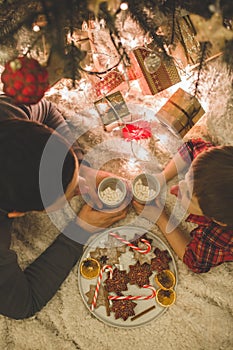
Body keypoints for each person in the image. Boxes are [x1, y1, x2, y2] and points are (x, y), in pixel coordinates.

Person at [0, 94, 128, 319]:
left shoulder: (7, 113)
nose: (80, 185)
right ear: (16, 214)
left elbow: (47, 109)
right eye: (68, 195)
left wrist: (82, 167)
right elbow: (22, 304)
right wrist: (79, 231)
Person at [132, 138, 233, 273]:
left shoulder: (221, 237)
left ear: (217, 219)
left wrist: (161, 219)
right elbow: (191, 147)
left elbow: (195, 261)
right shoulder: (211, 168)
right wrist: (162, 177)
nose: (174, 188)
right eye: (186, 177)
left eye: (188, 196)